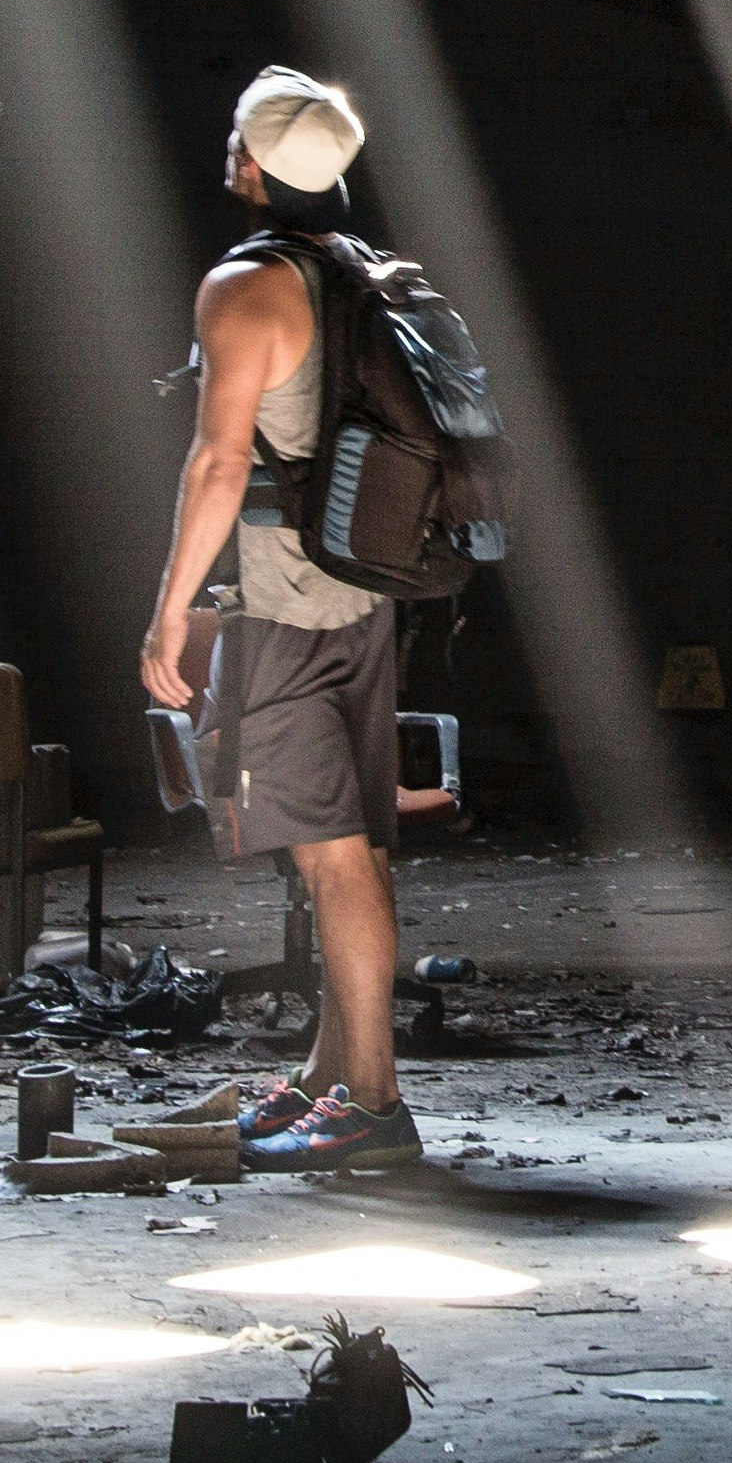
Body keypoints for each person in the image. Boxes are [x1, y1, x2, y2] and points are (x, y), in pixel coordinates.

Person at [141, 65, 420, 1172]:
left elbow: (217, 464)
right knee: (347, 854)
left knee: (333, 862)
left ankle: (376, 1105)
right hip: (361, 594)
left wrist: (168, 616)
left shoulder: (244, 287)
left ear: (252, 165)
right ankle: (326, 1076)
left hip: (286, 607)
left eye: (234, 141)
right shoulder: (359, 270)